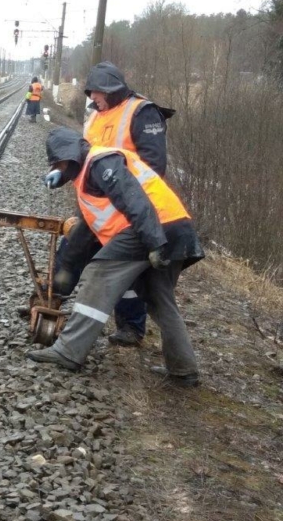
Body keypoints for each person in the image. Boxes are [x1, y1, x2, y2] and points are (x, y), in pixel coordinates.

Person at [28, 128, 203, 387]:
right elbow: (84, 236)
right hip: (175, 227)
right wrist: (62, 277)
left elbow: (135, 201)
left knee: (98, 276)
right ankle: (184, 370)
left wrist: (155, 242)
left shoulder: (100, 162)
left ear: (70, 156)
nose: (59, 168)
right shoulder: (87, 176)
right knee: (159, 299)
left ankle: (68, 352)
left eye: (59, 163)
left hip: (153, 227)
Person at [78, 61, 176, 346]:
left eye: (95, 92)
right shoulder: (96, 115)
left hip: (132, 208)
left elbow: (154, 166)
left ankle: (131, 327)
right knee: (73, 249)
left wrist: (127, 198)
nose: (92, 99)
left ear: (109, 88)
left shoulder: (142, 113)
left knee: (126, 271)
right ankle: (52, 301)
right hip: (100, 202)